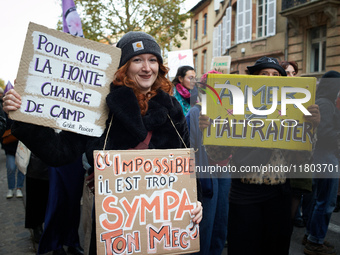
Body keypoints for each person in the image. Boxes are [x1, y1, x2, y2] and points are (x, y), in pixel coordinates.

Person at [3, 31, 202, 254]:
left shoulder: (172, 108)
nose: (147, 68)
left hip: (164, 225)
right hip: (116, 225)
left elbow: (187, 168)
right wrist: (23, 116)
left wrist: (196, 203)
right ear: (123, 67)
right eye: (137, 60)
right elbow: (59, 152)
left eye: (152, 60)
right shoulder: (99, 107)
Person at [199, 56, 320, 255]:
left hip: (279, 195)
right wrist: (210, 132)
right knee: (242, 248)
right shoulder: (235, 111)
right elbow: (218, 154)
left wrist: (310, 130)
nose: (270, 79)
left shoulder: (292, 112)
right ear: (253, 80)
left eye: (275, 75)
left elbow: (303, 160)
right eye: (264, 74)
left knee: (276, 249)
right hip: (243, 194)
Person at [187, 70, 231, 255]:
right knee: (205, 227)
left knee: (220, 224)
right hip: (206, 177)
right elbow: (188, 150)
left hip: (225, 172)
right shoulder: (194, 114)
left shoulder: (230, 112)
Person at [303, 70, 340, 255]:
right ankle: (315, 241)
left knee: (319, 199)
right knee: (326, 201)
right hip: (325, 156)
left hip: (321, 156)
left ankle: (312, 235)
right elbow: (324, 133)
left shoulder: (324, 101)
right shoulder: (326, 103)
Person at [280, 60, 314, 229]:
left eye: (294, 73)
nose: (292, 76)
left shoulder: (303, 96)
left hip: (297, 157)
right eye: (287, 72)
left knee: (295, 194)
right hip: (278, 161)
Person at [24, 153, 49, 244]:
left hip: (53, 161)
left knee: (48, 198)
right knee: (35, 197)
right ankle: (36, 226)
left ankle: (43, 226)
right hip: (35, 163)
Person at [1, 114, 25, 199]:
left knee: (21, 168)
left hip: (21, 146)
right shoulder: (7, 114)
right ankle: (11, 188)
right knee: (11, 168)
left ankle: (19, 187)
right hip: (10, 147)